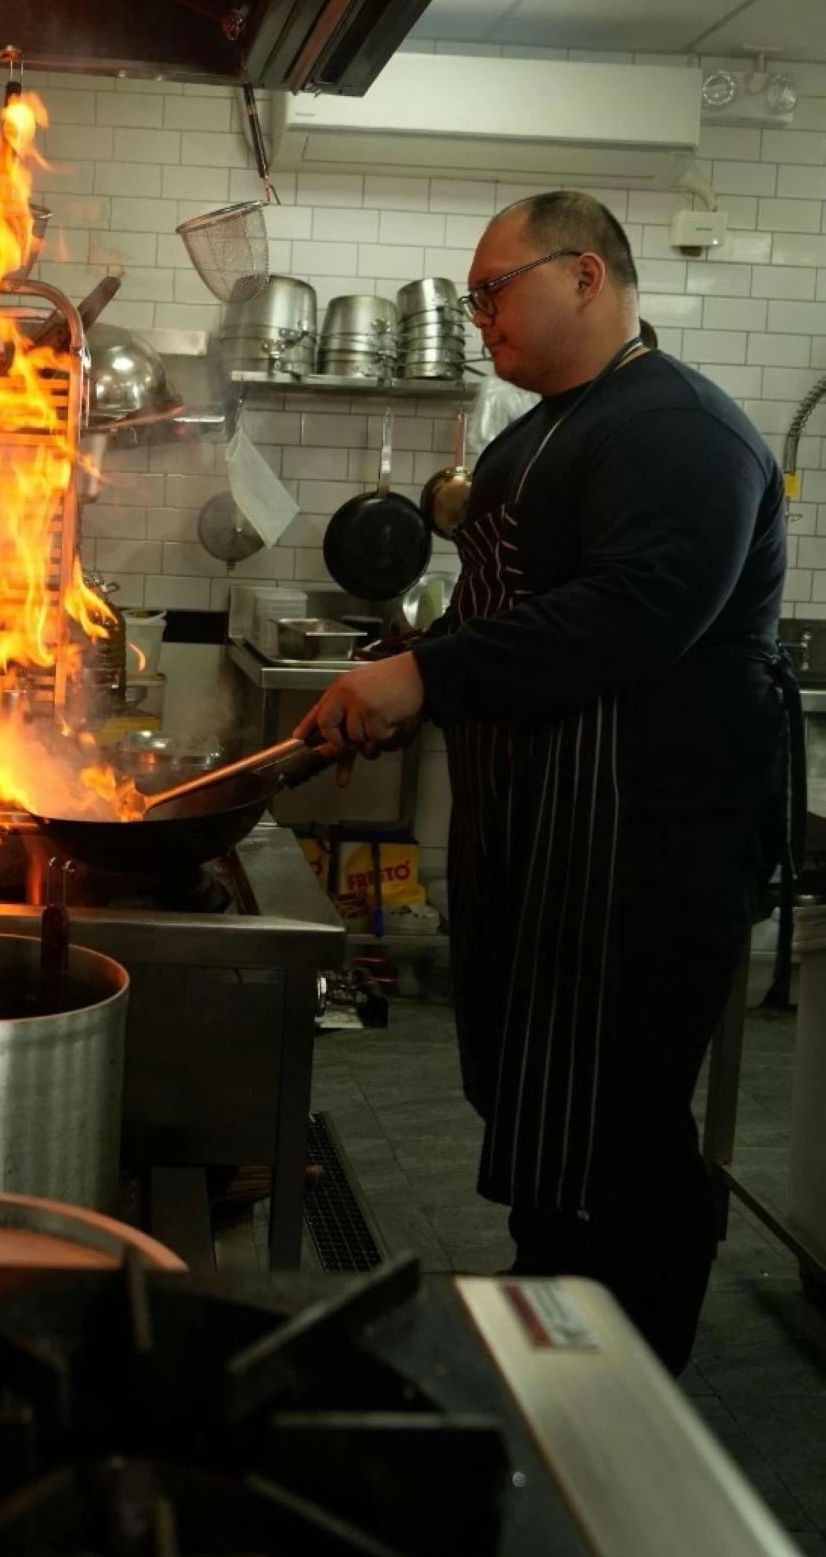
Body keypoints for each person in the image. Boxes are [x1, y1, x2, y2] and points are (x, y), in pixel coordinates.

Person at [298, 190, 789, 1375]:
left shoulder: (678, 432)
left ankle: (631, 1377)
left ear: (585, 276)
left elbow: (631, 618)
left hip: (642, 848)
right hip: (538, 837)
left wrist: (430, 679)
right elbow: (498, 607)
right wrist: (397, 665)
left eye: (491, 292)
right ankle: (553, 1295)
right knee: (534, 1097)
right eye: (469, 300)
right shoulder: (541, 432)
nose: (477, 321)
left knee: (620, 1128)